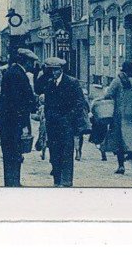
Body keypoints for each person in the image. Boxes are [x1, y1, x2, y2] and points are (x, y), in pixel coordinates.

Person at [42, 57, 88, 188]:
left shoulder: (72, 82)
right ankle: (57, 180)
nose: (53, 73)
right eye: (51, 70)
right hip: (52, 124)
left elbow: (80, 102)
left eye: (55, 70)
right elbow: (48, 104)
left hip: (67, 124)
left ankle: (66, 181)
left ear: (61, 69)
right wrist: (48, 117)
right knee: (54, 152)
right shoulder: (50, 83)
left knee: (67, 152)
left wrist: (69, 117)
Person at [0, 48, 37, 187]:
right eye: (32, 62)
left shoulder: (13, 72)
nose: (33, 65)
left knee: (11, 153)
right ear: (25, 61)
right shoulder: (17, 75)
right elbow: (18, 101)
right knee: (13, 152)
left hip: (7, 120)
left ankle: (12, 181)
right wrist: (25, 121)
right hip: (12, 121)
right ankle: (13, 182)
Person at [101, 61, 132, 175]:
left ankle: (121, 166)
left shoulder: (117, 81)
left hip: (119, 115)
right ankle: (131, 156)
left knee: (119, 141)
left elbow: (108, 95)